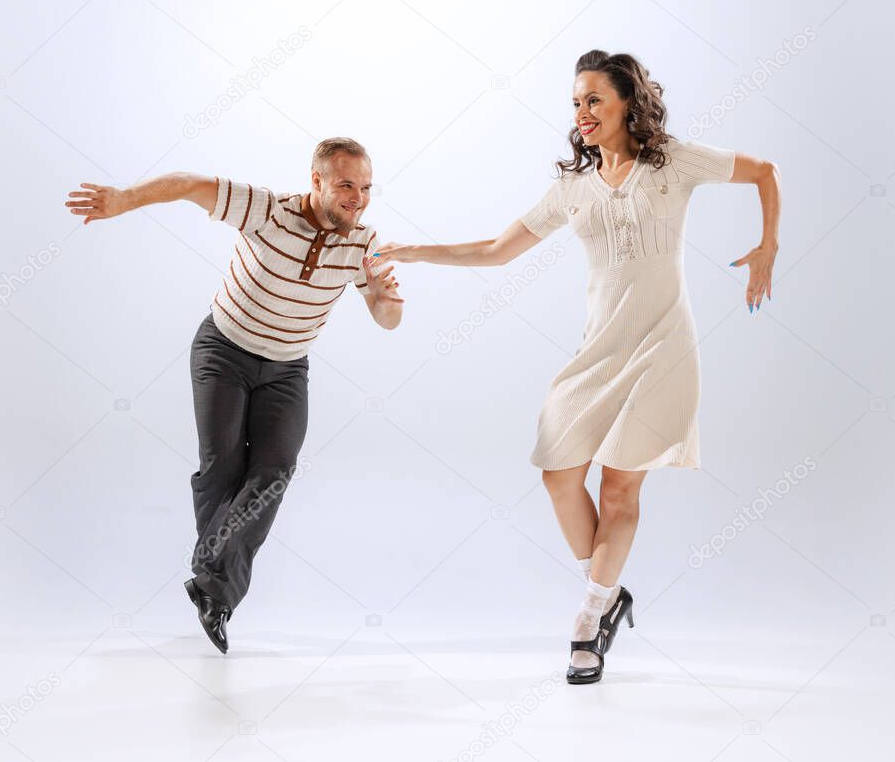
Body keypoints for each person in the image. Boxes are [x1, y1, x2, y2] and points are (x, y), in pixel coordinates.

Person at [374, 51, 781, 684]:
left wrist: (767, 248)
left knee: (621, 489)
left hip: (663, 349)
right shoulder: (572, 187)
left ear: (626, 102)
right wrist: (420, 252)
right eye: (575, 103)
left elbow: (765, 171)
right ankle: (610, 590)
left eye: (593, 99)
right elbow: (496, 249)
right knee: (560, 473)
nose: (582, 113)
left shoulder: (673, 162)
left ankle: (588, 623)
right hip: (598, 353)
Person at [64, 137, 404, 654]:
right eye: (345, 186)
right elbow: (190, 185)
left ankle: (211, 587)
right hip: (225, 350)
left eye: (365, 188)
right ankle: (216, 587)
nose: (357, 198)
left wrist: (385, 298)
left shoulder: (364, 242)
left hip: (288, 370)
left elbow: (388, 319)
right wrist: (124, 199)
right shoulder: (267, 209)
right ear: (316, 181)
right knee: (222, 470)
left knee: (272, 474)